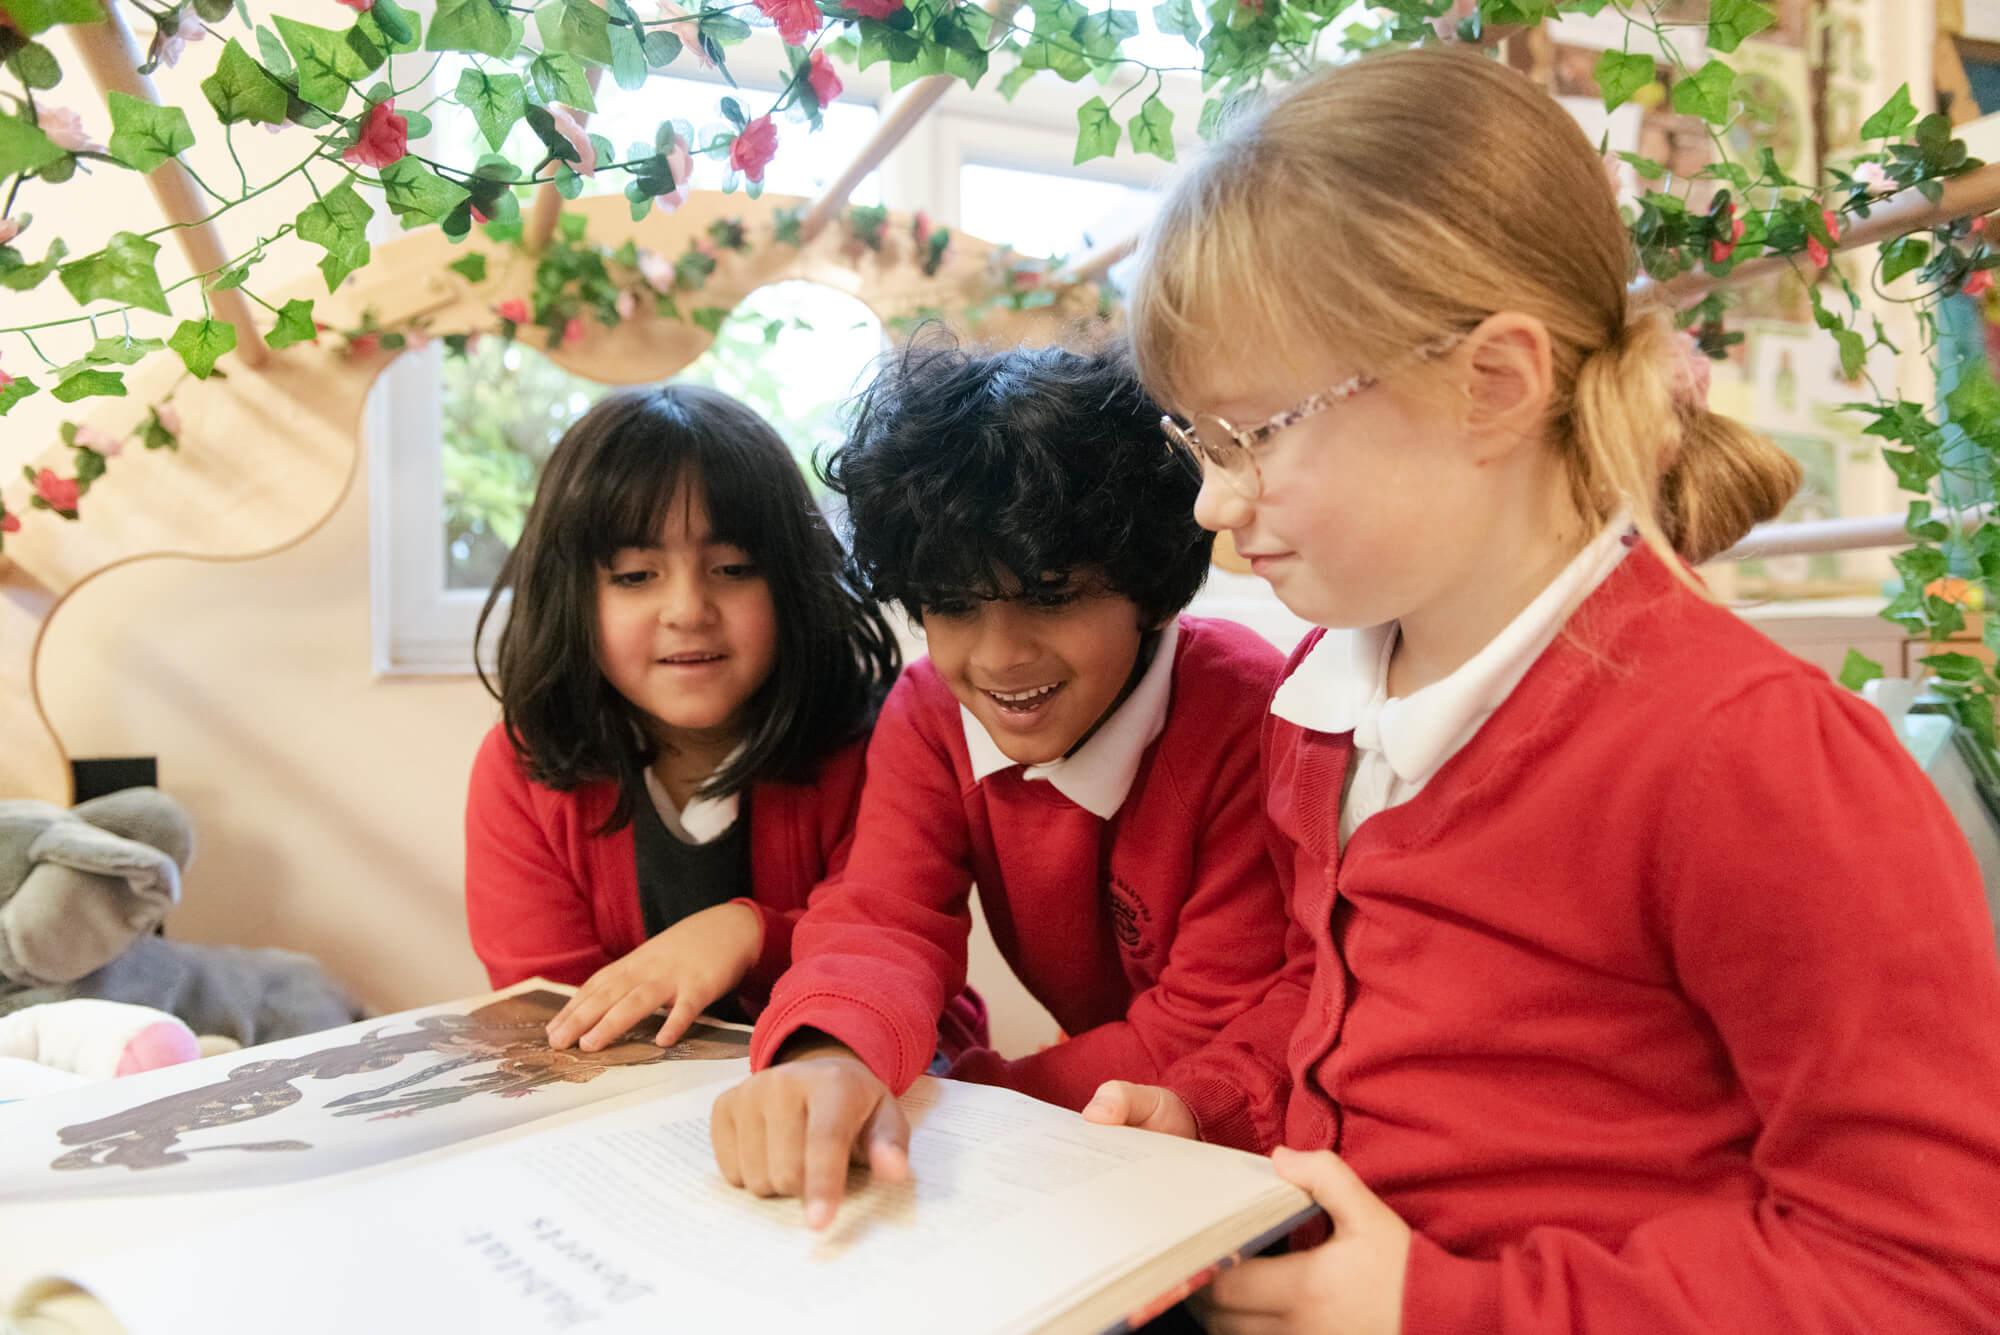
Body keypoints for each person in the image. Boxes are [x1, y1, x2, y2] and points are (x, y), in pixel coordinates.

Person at [1083, 47, 2000, 1333]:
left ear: (1492, 387)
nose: (1211, 502)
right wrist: (1210, 1105)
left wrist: (1436, 1308)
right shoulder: (1322, 707)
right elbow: (1332, 1004)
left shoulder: (1749, 758)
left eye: (1252, 434)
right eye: (1198, 441)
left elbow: (1930, 1278)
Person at [709, 340, 1292, 1228]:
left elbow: (1205, 1023)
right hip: (1107, 1125)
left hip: (1254, 1125)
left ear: (1149, 589)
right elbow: (883, 915)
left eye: (1051, 596)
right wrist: (831, 1053)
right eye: (953, 603)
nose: (1000, 655)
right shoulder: (929, 710)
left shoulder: (1246, 714)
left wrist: (964, 1096)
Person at [464, 385, 983, 1057]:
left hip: (883, 1074)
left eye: (733, 568)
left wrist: (746, 936)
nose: (688, 609)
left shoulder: (879, 744)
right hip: (631, 1106)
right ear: (569, 596)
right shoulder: (523, 768)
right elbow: (553, 1015)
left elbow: (889, 954)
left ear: (792, 582)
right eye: (635, 576)